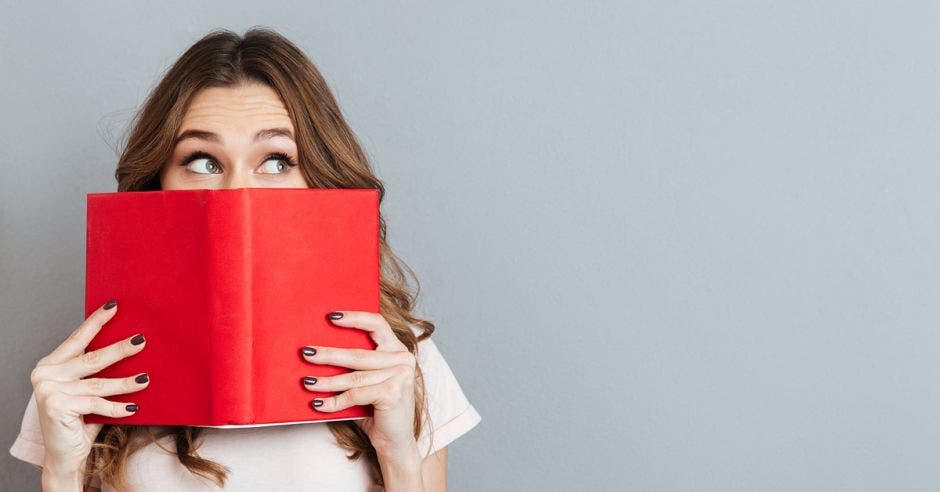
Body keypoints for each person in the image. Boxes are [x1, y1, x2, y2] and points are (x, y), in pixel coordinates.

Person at [7, 27, 481, 491]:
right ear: (159, 182)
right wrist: (62, 475)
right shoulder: (86, 373)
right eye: (202, 161)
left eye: (276, 160)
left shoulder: (398, 359)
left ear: (318, 177)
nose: (237, 193)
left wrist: (400, 455)